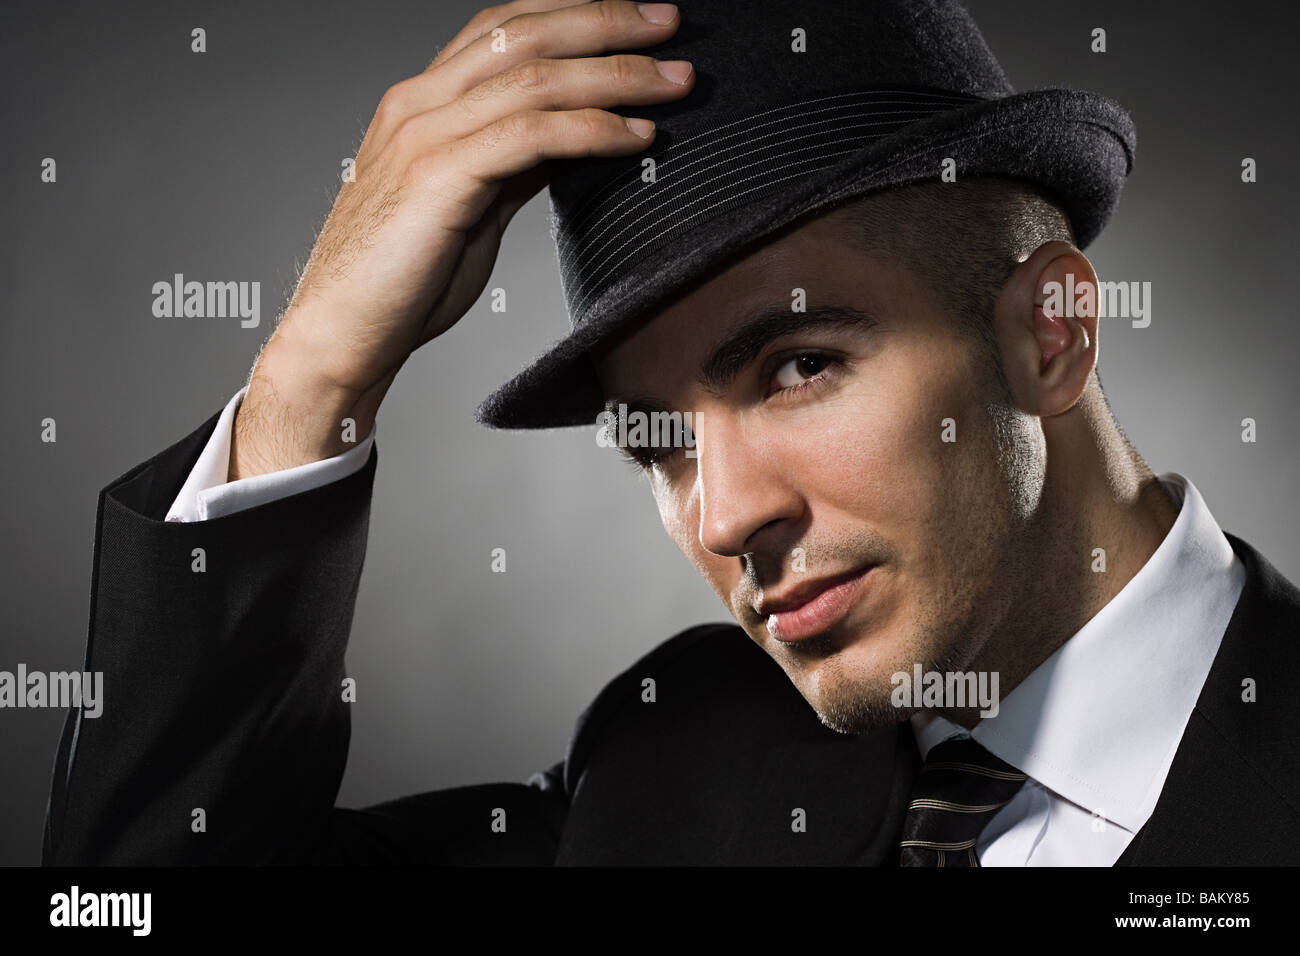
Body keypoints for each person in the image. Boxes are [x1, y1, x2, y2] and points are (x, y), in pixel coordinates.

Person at [43, 0, 1300, 866]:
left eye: (799, 365)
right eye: (655, 438)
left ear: (1052, 332)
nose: (719, 515)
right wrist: (307, 375)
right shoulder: (680, 758)